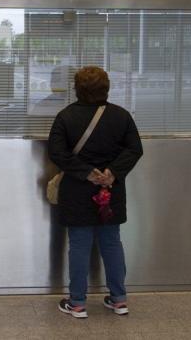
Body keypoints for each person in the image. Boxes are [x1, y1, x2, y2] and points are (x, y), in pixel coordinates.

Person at [48, 66, 143, 319]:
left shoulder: (65, 117)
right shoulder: (121, 116)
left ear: (76, 89)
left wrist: (86, 172)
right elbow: (135, 149)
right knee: (111, 242)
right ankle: (119, 299)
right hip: (110, 192)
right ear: (107, 88)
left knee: (79, 244)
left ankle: (77, 303)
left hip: (77, 191)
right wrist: (111, 173)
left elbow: (57, 153)